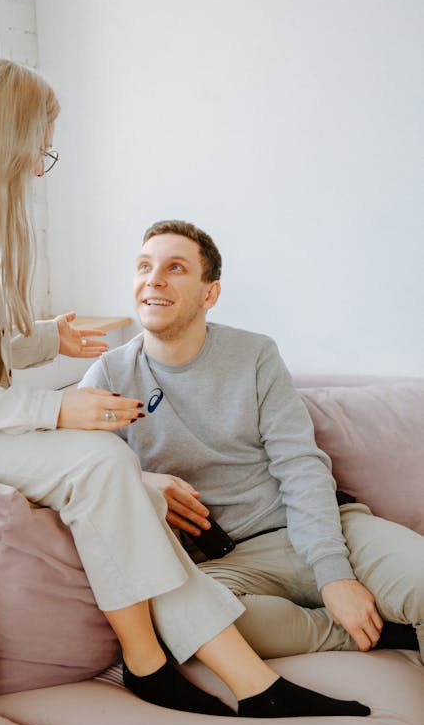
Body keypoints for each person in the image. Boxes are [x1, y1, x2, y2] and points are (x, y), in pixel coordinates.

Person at [0, 59, 370, 719]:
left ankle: (174, 668)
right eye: (36, 149)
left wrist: (47, 339)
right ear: (1, 139)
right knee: (103, 460)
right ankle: (215, 675)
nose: (33, 167)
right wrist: (56, 407)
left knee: (115, 471)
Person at [80, 220, 423, 662]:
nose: (154, 279)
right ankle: (377, 631)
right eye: (144, 266)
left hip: (322, 529)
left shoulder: (255, 354)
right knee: (188, 624)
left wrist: (334, 574)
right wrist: (140, 481)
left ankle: (361, 608)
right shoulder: (109, 375)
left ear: (210, 294)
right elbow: (67, 466)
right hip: (228, 564)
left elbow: (299, 463)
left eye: (176, 267)